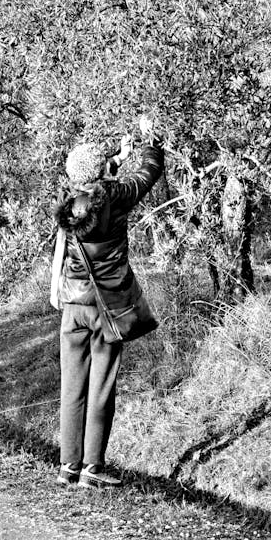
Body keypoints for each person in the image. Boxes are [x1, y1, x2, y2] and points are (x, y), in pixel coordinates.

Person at [49, 116, 164, 489]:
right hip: (107, 306)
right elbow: (149, 173)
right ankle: (92, 470)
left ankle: (68, 466)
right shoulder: (115, 198)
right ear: (100, 172)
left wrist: (114, 159)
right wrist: (150, 142)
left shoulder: (67, 204)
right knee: (101, 388)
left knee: (73, 387)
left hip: (73, 306)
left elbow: (88, 190)